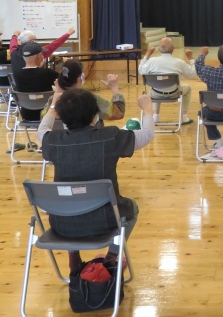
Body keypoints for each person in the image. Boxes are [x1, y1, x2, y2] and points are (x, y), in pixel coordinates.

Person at [38, 89, 154, 267]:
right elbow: (147, 134)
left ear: (61, 116)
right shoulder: (110, 137)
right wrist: (147, 108)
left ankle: (74, 257)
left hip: (62, 224)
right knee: (132, 208)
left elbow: (42, 130)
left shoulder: (52, 141)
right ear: (94, 116)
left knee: (72, 204)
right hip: (105, 221)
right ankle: (112, 256)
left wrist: (53, 107)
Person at [138, 38, 197, 124]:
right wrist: (191, 58)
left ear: (159, 49)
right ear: (173, 49)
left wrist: (147, 54)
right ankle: (184, 117)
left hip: (155, 94)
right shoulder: (179, 62)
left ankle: (155, 116)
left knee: (156, 86)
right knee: (188, 88)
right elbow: (192, 74)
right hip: (174, 93)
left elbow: (141, 71)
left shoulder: (152, 61)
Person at [55, 60, 124, 123]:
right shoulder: (90, 99)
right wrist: (114, 88)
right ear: (79, 78)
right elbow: (119, 113)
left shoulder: (53, 100)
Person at [12, 41, 59, 122]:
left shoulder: (17, 74)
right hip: (46, 114)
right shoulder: (47, 73)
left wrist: (39, 68)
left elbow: (32, 76)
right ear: (38, 56)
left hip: (26, 114)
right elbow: (66, 81)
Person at [10, 26, 75, 74]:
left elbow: (13, 43)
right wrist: (68, 33)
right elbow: (54, 44)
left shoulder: (13, 52)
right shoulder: (39, 52)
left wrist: (14, 36)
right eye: (35, 40)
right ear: (32, 41)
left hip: (19, 86)